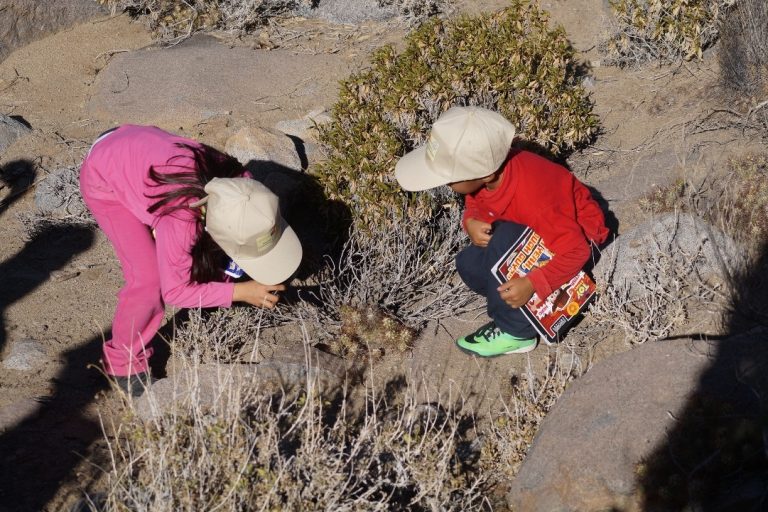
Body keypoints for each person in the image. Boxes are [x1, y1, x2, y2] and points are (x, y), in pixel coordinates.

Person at [79, 125, 302, 395]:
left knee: (199, 253)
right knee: (148, 279)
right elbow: (174, 292)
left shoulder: (245, 188)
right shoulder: (182, 220)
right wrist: (240, 291)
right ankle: (123, 365)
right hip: (105, 176)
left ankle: (212, 283)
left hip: (137, 148)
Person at [394, 106, 608, 357]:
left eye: (450, 179)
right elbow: (477, 200)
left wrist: (532, 283)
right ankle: (516, 303)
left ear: (486, 174)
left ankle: (517, 333)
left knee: (503, 240)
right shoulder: (489, 174)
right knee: (468, 262)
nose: (446, 185)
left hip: (578, 243)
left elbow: (576, 250)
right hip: (536, 236)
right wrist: (471, 220)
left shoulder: (535, 198)